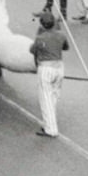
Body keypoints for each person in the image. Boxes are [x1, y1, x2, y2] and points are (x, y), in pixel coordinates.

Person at [31, 9, 67, 138]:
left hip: (46, 68)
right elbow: (66, 47)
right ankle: (50, 122)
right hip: (59, 67)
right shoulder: (61, 35)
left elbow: (32, 50)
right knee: (54, 96)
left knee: (46, 99)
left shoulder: (40, 38)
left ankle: (51, 128)